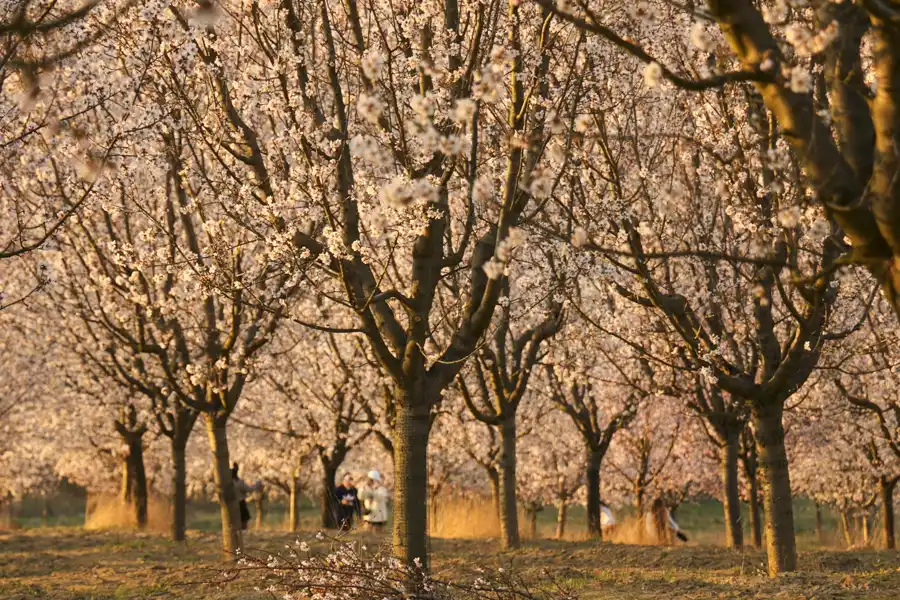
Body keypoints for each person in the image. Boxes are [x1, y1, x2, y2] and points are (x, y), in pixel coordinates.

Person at [231, 463, 262, 531]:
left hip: (231, 505)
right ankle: (243, 533)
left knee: (234, 521)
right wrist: (257, 484)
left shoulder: (229, 483)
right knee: (243, 521)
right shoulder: (239, 483)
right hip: (240, 503)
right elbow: (250, 489)